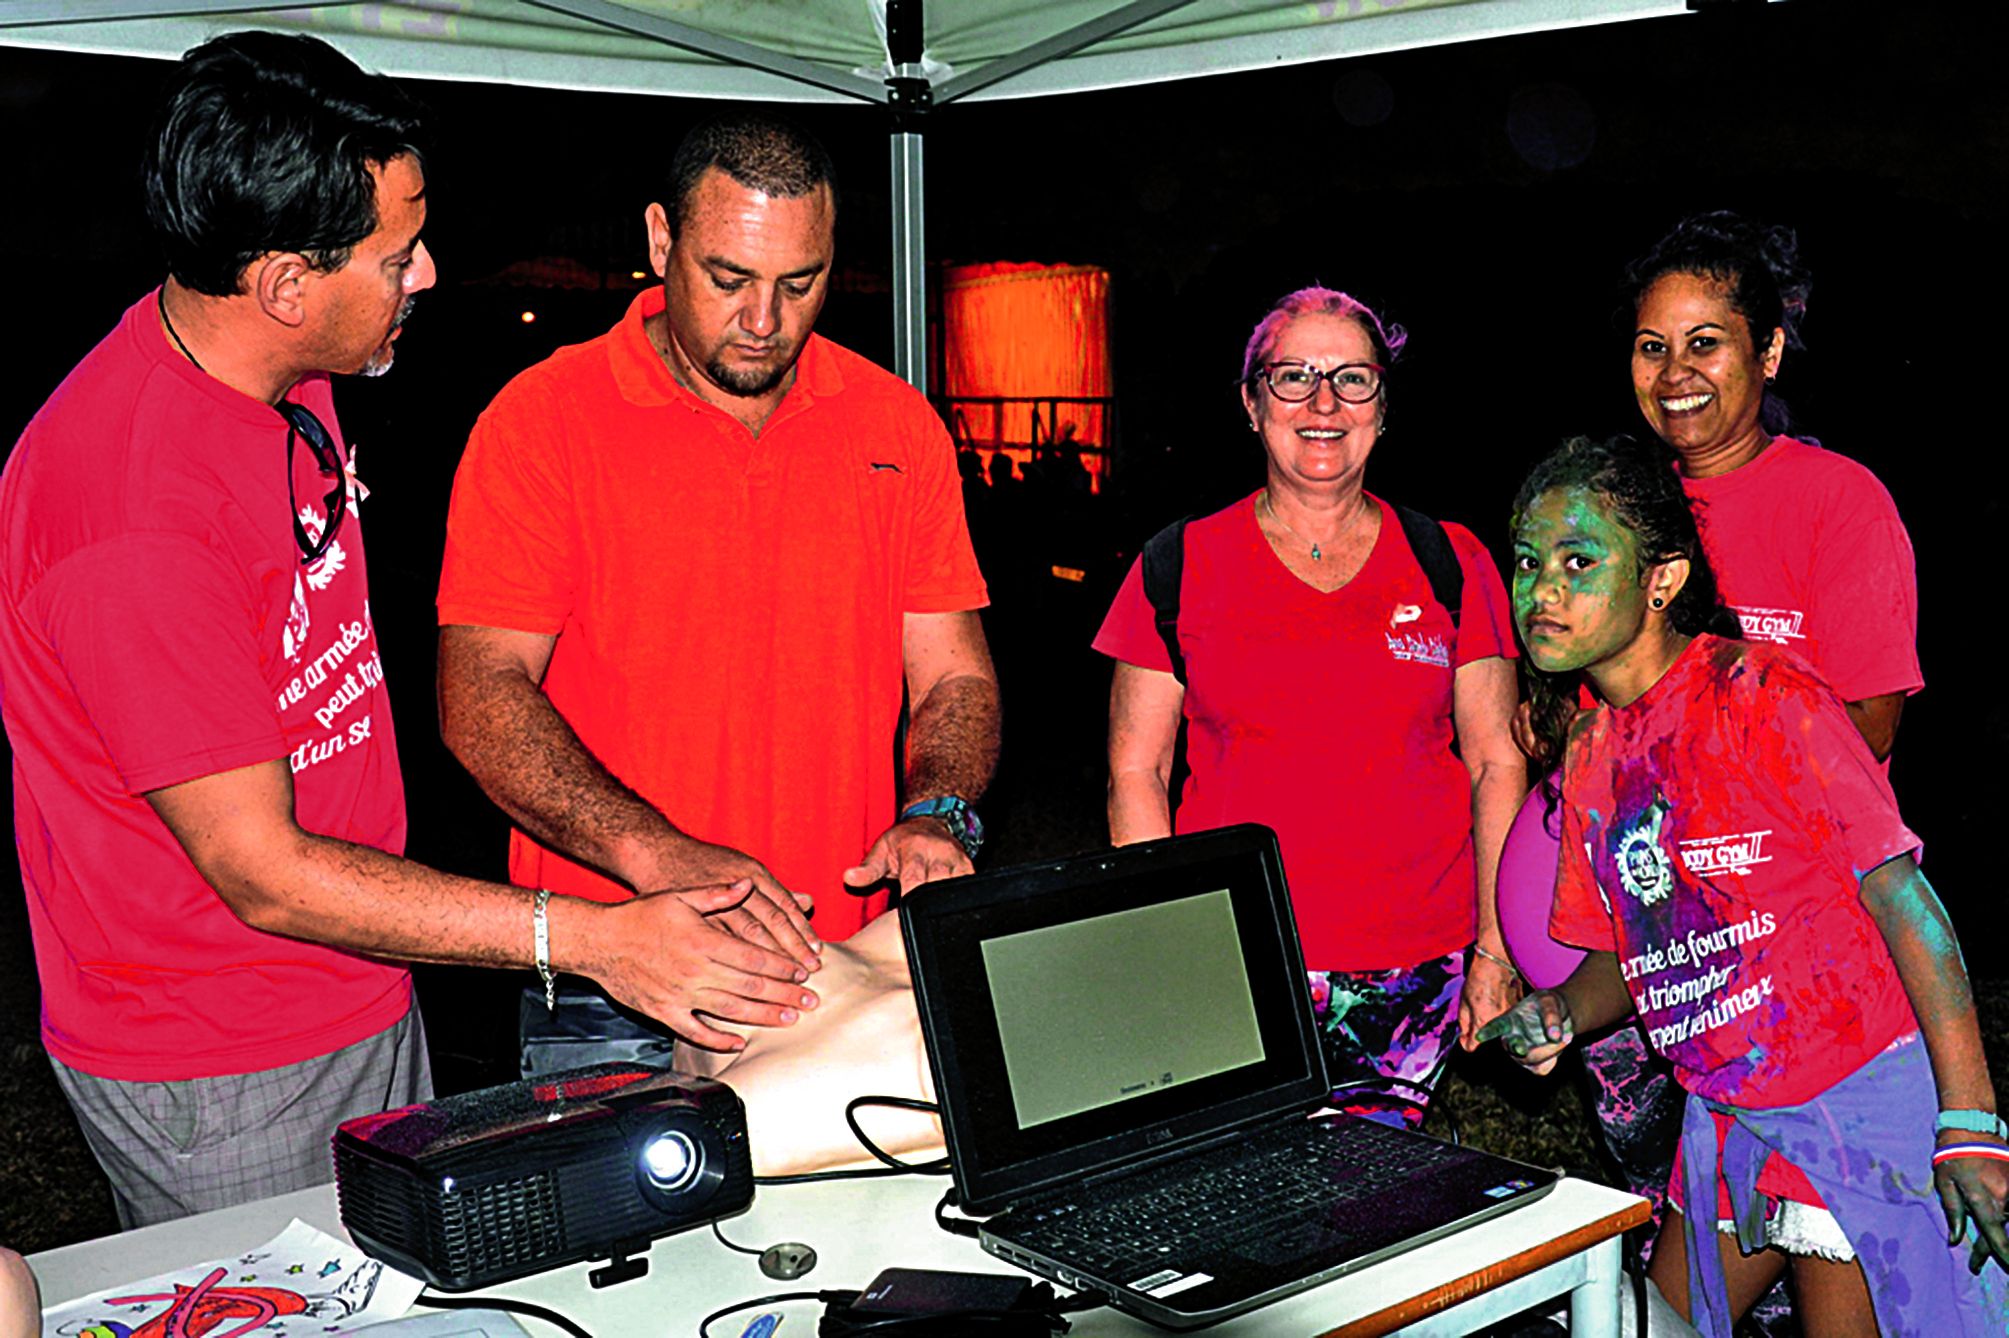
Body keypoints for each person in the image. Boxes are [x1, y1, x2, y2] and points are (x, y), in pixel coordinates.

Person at [0, 32, 817, 1229]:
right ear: (285, 284)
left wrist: (648, 858)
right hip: (219, 1055)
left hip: (359, 985)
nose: (428, 273)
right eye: (397, 255)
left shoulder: (281, 378)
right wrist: (595, 942)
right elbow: (264, 875)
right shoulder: (130, 519)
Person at [435, 111, 999, 1071]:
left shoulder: (897, 428)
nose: (763, 320)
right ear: (661, 241)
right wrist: (658, 856)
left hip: (840, 969)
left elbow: (954, 678)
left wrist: (937, 810)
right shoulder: (542, 422)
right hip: (616, 979)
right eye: (728, 279)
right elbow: (480, 695)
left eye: (799, 282)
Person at [1482, 434, 2005, 1336]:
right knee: (1640, 1322)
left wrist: (1969, 1120)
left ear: (1662, 579)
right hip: (1729, 1115)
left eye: (1578, 559)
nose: (1543, 590)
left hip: (1850, 1103)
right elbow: (1625, 956)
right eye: (1527, 563)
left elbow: (1905, 902)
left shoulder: (1763, 693)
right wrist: (1562, 1011)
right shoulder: (1594, 749)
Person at [1508, 213, 1925, 1268]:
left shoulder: (1835, 501)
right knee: (1671, 1235)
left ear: (1767, 351)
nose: (1675, 371)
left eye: (1706, 342)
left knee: (1814, 1250)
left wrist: (1699, 795)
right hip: (1644, 958)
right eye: (1652, 346)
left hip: (1792, 968)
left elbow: (1865, 726)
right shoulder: (1612, 504)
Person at [1093, 287, 1525, 1123]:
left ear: (1383, 407)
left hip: (1415, 965)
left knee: (1379, 1199)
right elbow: (1134, 772)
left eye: (1352, 379)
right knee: (1252, 1196)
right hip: (1239, 958)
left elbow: (1496, 760)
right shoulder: (1178, 563)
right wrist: (1167, 944)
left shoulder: (1451, 560)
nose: (1323, 403)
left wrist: (1494, 948)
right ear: (1251, 405)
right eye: (1292, 377)